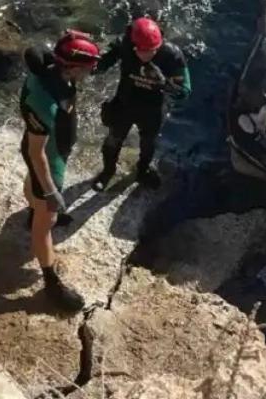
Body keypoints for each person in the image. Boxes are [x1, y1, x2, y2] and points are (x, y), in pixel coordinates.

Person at [20, 30, 100, 312]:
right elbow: (35, 153)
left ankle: (34, 208)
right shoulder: (44, 101)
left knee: (39, 198)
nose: (90, 73)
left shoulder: (55, 70)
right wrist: (51, 192)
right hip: (48, 157)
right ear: (72, 67)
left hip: (55, 148)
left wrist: (76, 37)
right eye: (88, 69)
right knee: (46, 222)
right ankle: (51, 282)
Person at [92, 16, 190, 191]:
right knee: (113, 139)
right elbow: (102, 63)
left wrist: (165, 83)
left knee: (148, 143)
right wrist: (92, 61)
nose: (147, 55)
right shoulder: (124, 44)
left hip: (153, 107)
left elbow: (185, 91)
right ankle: (108, 171)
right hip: (125, 102)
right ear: (133, 45)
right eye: (142, 50)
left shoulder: (172, 54)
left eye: (152, 50)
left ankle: (143, 170)